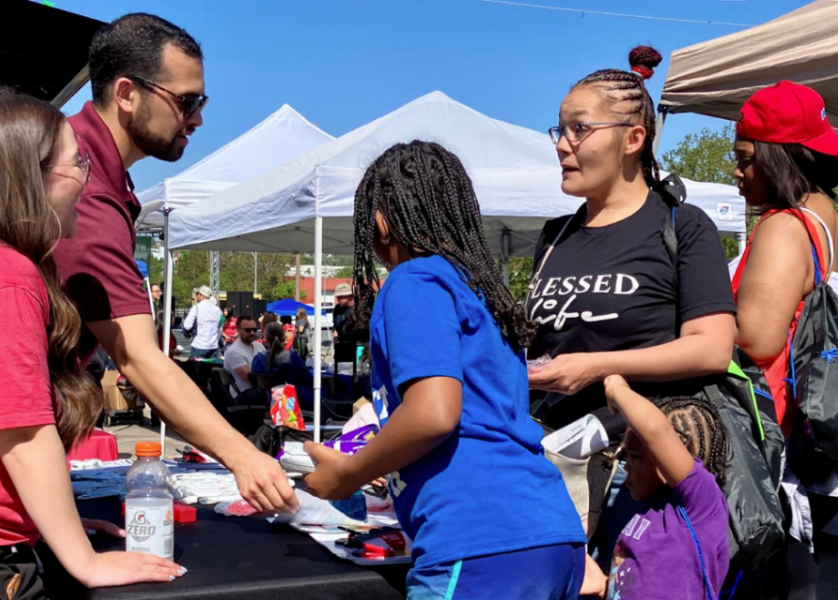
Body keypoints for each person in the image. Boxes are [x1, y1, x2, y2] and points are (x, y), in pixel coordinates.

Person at [304, 141, 586, 599]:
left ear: (379, 221)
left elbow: (434, 413)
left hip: (479, 541)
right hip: (548, 532)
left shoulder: (415, 280)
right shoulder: (478, 289)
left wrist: (348, 475)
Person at [0, 87, 184, 598]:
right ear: (31, 177)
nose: (86, 182)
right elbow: (24, 436)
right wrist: (84, 561)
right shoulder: (0, 274)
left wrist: (55, 525)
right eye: (79, 164)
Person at [52, 13, 296, 514]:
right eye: (187, 101)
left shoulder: (83, 165)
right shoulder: (85, 189)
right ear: (126, 94)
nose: (199, 117)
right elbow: (140, 358)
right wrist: (243, 457)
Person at [525, 47, 736, 565]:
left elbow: (711, 349)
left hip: (636, 476)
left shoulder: (683, 227)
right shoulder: (556, 236)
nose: (562, 146)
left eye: (579, 129)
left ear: (633, 139)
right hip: (549, 465)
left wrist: (597, 367)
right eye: (559, 131)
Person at [730, 81, 838, 593]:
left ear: (780, 156)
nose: (737, 172)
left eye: (746, 159)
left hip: (772, 432)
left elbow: (756, 339)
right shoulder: (827, 217)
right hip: (814, 434)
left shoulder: (784, 226)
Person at [580, 376, 730, 598]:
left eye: (636, 457)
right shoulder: (649, 512)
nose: (626, 466)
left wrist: (617, 389)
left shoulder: (701, 504)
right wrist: (604, 586)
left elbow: (654, 429)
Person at [251, 322, 315, 409]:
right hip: (295, 400)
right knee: (323, 389)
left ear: (265, 337)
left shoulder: (258, 358)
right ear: (284, 336)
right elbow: (308, 378)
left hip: (271, 400)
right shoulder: (292, 356)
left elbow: (256, 381)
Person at [223, 315, 266, 401]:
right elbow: (251, 379)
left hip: (260, 388)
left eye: (254, 330)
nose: (252, 333)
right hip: (243, 393)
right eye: (248, 330)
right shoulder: (233, 351)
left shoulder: (259, 346)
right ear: (238, 330)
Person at [182, 285, 221, 360]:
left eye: (197, 294)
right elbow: (220, 328)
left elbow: (187, 326)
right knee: (210, 370)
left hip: (199, 345)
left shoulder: (197, 307)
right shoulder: (218, 310)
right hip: (213, 346)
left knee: (196, 370)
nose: (196, 296)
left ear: (201, 295)